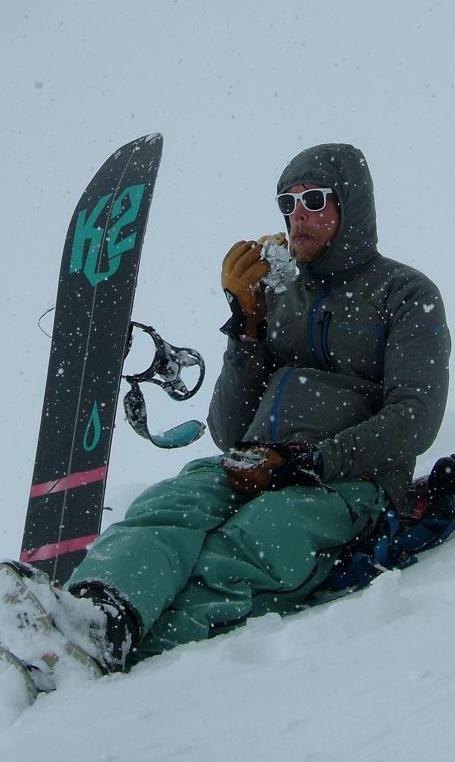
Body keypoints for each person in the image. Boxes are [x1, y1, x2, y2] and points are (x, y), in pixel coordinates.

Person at [1, 143, 451, 677]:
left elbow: (415, 416)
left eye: (313, 199)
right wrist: (246, 324)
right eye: (287, 202)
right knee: (167, 508)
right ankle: (99, 617)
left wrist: (312, 462)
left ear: (350, 204)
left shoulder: (404, 293)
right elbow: (227, 430)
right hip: (253, 462)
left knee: (257, 539)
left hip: (346, 480)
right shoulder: (278, 295)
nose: (296, 215)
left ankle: (113, 663)